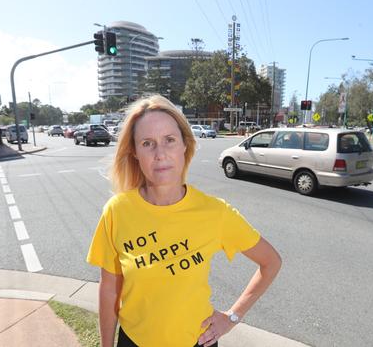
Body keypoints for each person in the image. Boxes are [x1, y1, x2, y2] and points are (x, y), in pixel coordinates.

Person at [86, 95, 282, 347]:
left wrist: (232, 317)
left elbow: (271, 262)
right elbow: (109, 288)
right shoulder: (117, 211)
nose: (160, 154)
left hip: (197, 341)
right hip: (133, 341)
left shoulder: (215, 212)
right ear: (134, 152)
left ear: (184, 145)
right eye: (147, 143)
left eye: (169, 140)